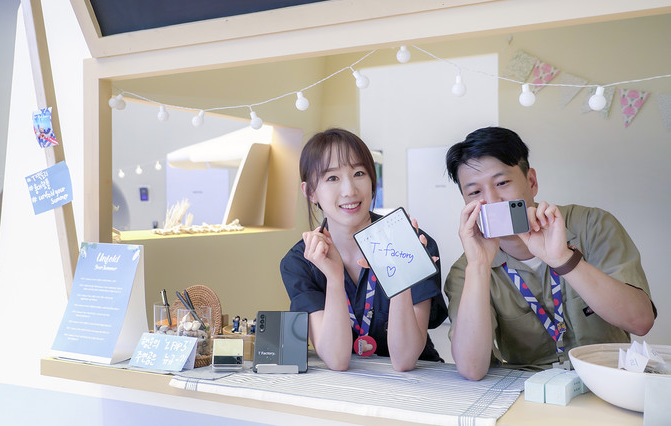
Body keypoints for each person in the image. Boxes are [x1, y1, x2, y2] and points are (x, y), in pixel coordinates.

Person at [444, 126, 656, 381]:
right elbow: (471, 369)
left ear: (531, 182)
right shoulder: (467, 269)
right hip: (529, 389)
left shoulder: (593, 225)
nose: (492, 200)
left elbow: (640, 322)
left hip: (610, 379)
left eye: (502, 183)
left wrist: (563, 260)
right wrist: (478, 267)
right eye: (475, 192)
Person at [280, 128, 448, 371]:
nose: (349, 190)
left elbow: (405, 359)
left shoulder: (411, 243)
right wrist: (334, 279)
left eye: (359, 173)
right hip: (347, 384)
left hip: (418, 381)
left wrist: (400, 276)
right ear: (310, 192)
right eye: (332, 178)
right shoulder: (300, 262)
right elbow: (336, 359)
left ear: (372, 182)